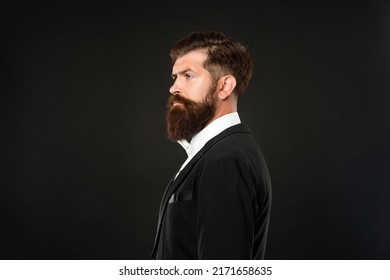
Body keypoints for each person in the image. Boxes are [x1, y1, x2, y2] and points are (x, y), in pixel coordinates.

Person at [151, 31, 272, 260]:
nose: (174, 88)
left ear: (224, 86)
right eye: (174, 77)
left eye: (188, 75)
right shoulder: (217, 152)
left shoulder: (226, 160)